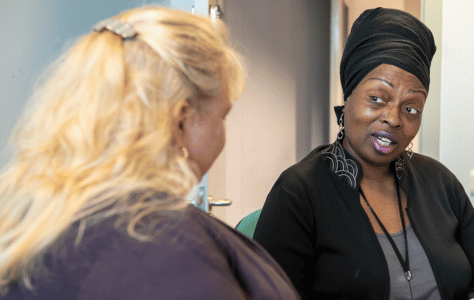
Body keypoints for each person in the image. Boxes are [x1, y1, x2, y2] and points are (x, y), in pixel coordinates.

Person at [0, 6, 299, 299]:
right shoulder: (166, 247)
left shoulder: (28, 222)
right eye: (222, 116)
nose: (223, 133)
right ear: (181, 120)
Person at [253, 7, 474, 300]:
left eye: (411, 108)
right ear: (348, 97)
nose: (394, 119)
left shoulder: (440, 183)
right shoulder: (299, 192)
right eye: (377, 99)